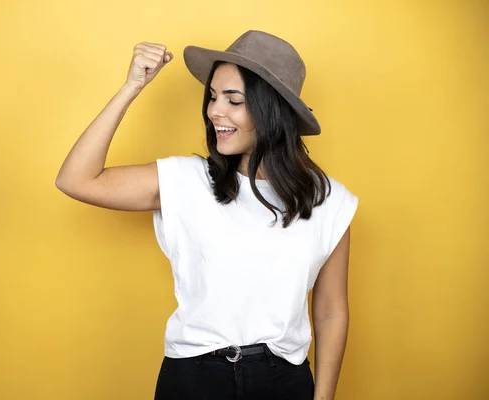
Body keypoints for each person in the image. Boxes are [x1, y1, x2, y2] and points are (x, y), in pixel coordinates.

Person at [56, 30, 358, 400]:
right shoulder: (185, 180)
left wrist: (323, 398)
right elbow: (77, 180)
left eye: (234, 100)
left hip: (284, 381)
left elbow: (330, 311)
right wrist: (131, 87)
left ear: (271, 108)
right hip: (193, 378)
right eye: (213, 97)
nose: (215, 111)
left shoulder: (329, 200)